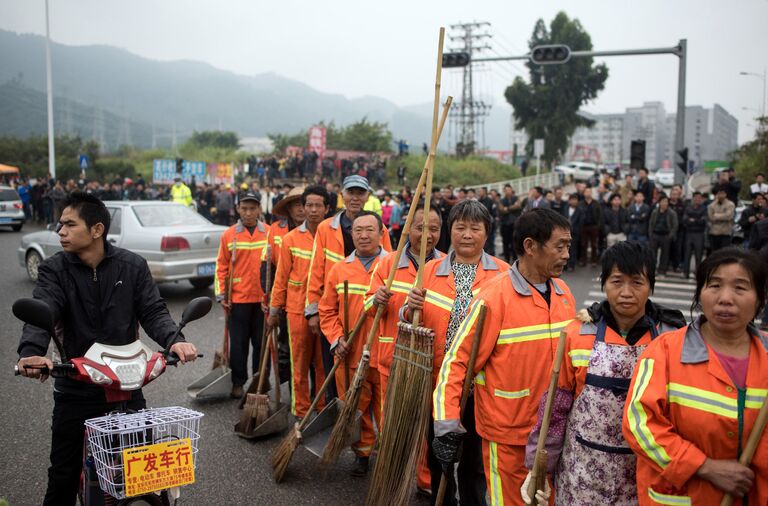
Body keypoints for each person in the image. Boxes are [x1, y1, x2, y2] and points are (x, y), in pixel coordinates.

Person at [16, 192, 198, 505]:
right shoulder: (55, 269)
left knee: (143, 473)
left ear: (97, 230)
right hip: (77, 386)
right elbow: (43, 307)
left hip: (127, 385)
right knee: (63, 475)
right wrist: (32, 352)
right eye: (60, 225)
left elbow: (153, 310)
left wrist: (174, 340)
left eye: (70, 225)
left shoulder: (133, 266)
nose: (61, 231)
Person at [522, 242, 685, 505]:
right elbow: (556, 407)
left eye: (637, 283)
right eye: (617, 282)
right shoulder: (576, 333)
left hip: (644, 474)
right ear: (604, 283)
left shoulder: (672, 338)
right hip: (582, 475)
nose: (626, 293)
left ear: (651, 286)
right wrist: (538, 468)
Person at [431, 208, 574, 506]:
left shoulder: (564, 294)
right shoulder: (493, 298)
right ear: (530, 246)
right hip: (507, 434)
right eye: (559, 246)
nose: (566, 254)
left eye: (568, 246)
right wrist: (445, 422)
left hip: (553, 435)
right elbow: (457, 361)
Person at [623, 248, 768, 505]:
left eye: (740, 288)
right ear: (700, 294)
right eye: (714, 285)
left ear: (759, 299)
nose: (725, 298)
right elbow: (639, 424)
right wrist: (705, 466)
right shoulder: (664, 351)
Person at [405, 199, 510, 505]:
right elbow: (409, 321)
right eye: (460, 227)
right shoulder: (430, 270)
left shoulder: (503, 275)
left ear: (486, 233)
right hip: (438, 384)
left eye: (474, 228)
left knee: (475, 462)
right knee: (440, 456)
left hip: (482, 385)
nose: (467, 234)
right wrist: (407, 309)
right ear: (450, 230)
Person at [367, 201, 444, 495]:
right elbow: (367, 308)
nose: (427, 234)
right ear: (408, 228)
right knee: (393, 424)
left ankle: (425, 482)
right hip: (394, 358)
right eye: (421, 227)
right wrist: (380, 301)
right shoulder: (388, 263)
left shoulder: (446, 266)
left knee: (426, 425)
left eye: (434, 228)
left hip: (430, 360)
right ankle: (391, 482)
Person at [306, 175, 393, 399]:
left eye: (360, 193)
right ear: (341, 195)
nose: (355, 197)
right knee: (336, 365)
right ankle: (337, 412)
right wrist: (313, 310)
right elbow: (316, 270)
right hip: (336, 308)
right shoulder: (326, 228)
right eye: (350, 193)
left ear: (367, 196)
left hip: (371, 317)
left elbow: (390, 266)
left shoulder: (377, 226)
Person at [319, 211, 388, 477]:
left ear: (381, 232)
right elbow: (326, 311)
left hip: (384, 353)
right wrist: (337, 339)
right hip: (350, 353)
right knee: (354, 408)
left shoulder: (393, 267)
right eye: (358, 230)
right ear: (351, 234)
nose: (363, 235)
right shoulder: (339, 270)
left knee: (387, 409)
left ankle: (389, 457)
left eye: (369, 229)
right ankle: (362, 455)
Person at [268, 186, 330, 421]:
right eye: (309, 205)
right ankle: (301, 411)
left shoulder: (332, 237)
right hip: (295, 310)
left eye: (318, 206)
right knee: (299, 364)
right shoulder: (290, 239)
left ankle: (322, 407)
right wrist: (274, 310)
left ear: (327, 208)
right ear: (303, 208)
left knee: (323, 363)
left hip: (325, 311)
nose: (313, 210)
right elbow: (280, 278)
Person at [214, 191, 269, 398]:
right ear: (238, 209)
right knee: (237, 345)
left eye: (252, 208)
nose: (248, 212)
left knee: (261, 346)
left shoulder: (269, 233)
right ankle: (238, 382)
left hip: (262, 300)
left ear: (259, 210)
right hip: (237, 300)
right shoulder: (229, 235)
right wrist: (221, 296)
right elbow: (221, 267)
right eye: (244, 208)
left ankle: (260, 382)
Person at [267, 186, 307, 382]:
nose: (300, 209)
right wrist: (269, 298)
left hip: (306, 297)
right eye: (296, 205)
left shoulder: (319, 229)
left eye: (303, 204)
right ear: (289, 209)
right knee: (285, 343)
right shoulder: (276, 229)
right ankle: (287, 384)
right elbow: (266, 266)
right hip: (281, 294)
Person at [649, 196, 679, 275]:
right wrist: (651, 234)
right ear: (659, 203)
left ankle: (662, 269)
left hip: (666, 235)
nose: (664, 203)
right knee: (652, 253)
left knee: (665, 254)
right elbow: (651, 224)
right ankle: (652, 269)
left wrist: (670, 235)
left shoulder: (672, 213)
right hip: (655, 234)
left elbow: (675, 225)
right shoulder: (655, 212)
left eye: (666, 202)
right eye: (662, 201)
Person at [682, 192, 708, 279]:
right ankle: (685, 272)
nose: (698, 199)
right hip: (689, 233)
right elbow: (685, 220)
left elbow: (703, 220)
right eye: (696, 197)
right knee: (687, 254)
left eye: (699, 198)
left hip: (699, 233)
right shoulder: (688, 207)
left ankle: (698, 273)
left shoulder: (704, 208)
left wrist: (694, 220)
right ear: (693, 198)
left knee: (698, 255)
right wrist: (696, 220)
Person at [578, 187, 603, 267]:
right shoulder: (581, 203)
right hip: (584, 226)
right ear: (584, 193)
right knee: (583, 244)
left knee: (594, 245)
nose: (588, 193)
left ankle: (594, 261)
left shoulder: (596, 203)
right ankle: (583, 260)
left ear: (591, 193)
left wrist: (598, 226)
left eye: (589, 192)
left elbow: (600, 215)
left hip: (593, 226)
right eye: (586, 192)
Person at [708, 186, 736, 253]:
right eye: (719, 193)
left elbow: (729, 216)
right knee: (715, 253)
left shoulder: (730, 204)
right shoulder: (711, 205)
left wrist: (716, 215)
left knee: (724, 254)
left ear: (725, 194)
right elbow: (711, 218)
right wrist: (723, 215)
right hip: (714, 233)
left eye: (722, 193)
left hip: (725, 233)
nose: (721, 195)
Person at [499, 184, 521, 263]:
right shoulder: (502, 200)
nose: (508, 191)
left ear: (512, 190)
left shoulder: (516, 198)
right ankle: (506, 258)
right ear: (504, 191)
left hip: (515, 223)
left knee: (514, 242)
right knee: (505, 242)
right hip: (505, 224)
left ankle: (515, 258)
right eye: (506, 190)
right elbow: (502, 210)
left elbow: (518, 206)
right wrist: (512, 207)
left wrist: (507, 208)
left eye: (509, 189)